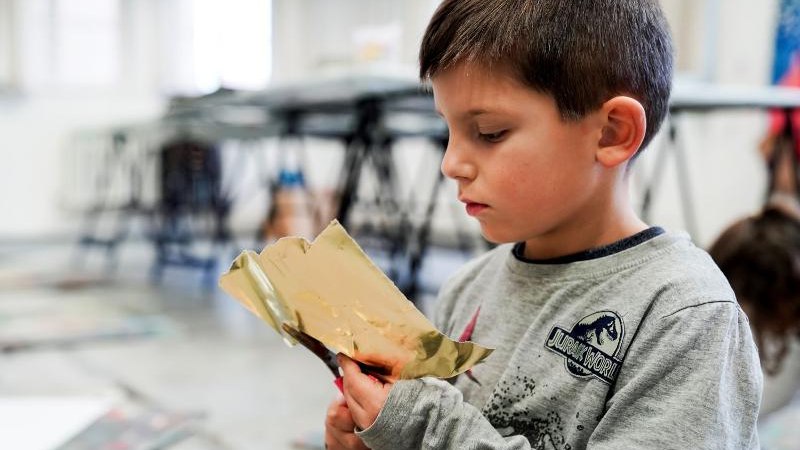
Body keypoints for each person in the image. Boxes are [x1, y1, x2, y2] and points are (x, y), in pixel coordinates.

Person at [325, 0, 762, 448]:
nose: (451, 163)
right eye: (447, 131)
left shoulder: (686, 317)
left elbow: (438, 432)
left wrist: (423, 427)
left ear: (612, 133)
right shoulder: (468, 288)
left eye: (490, 132)